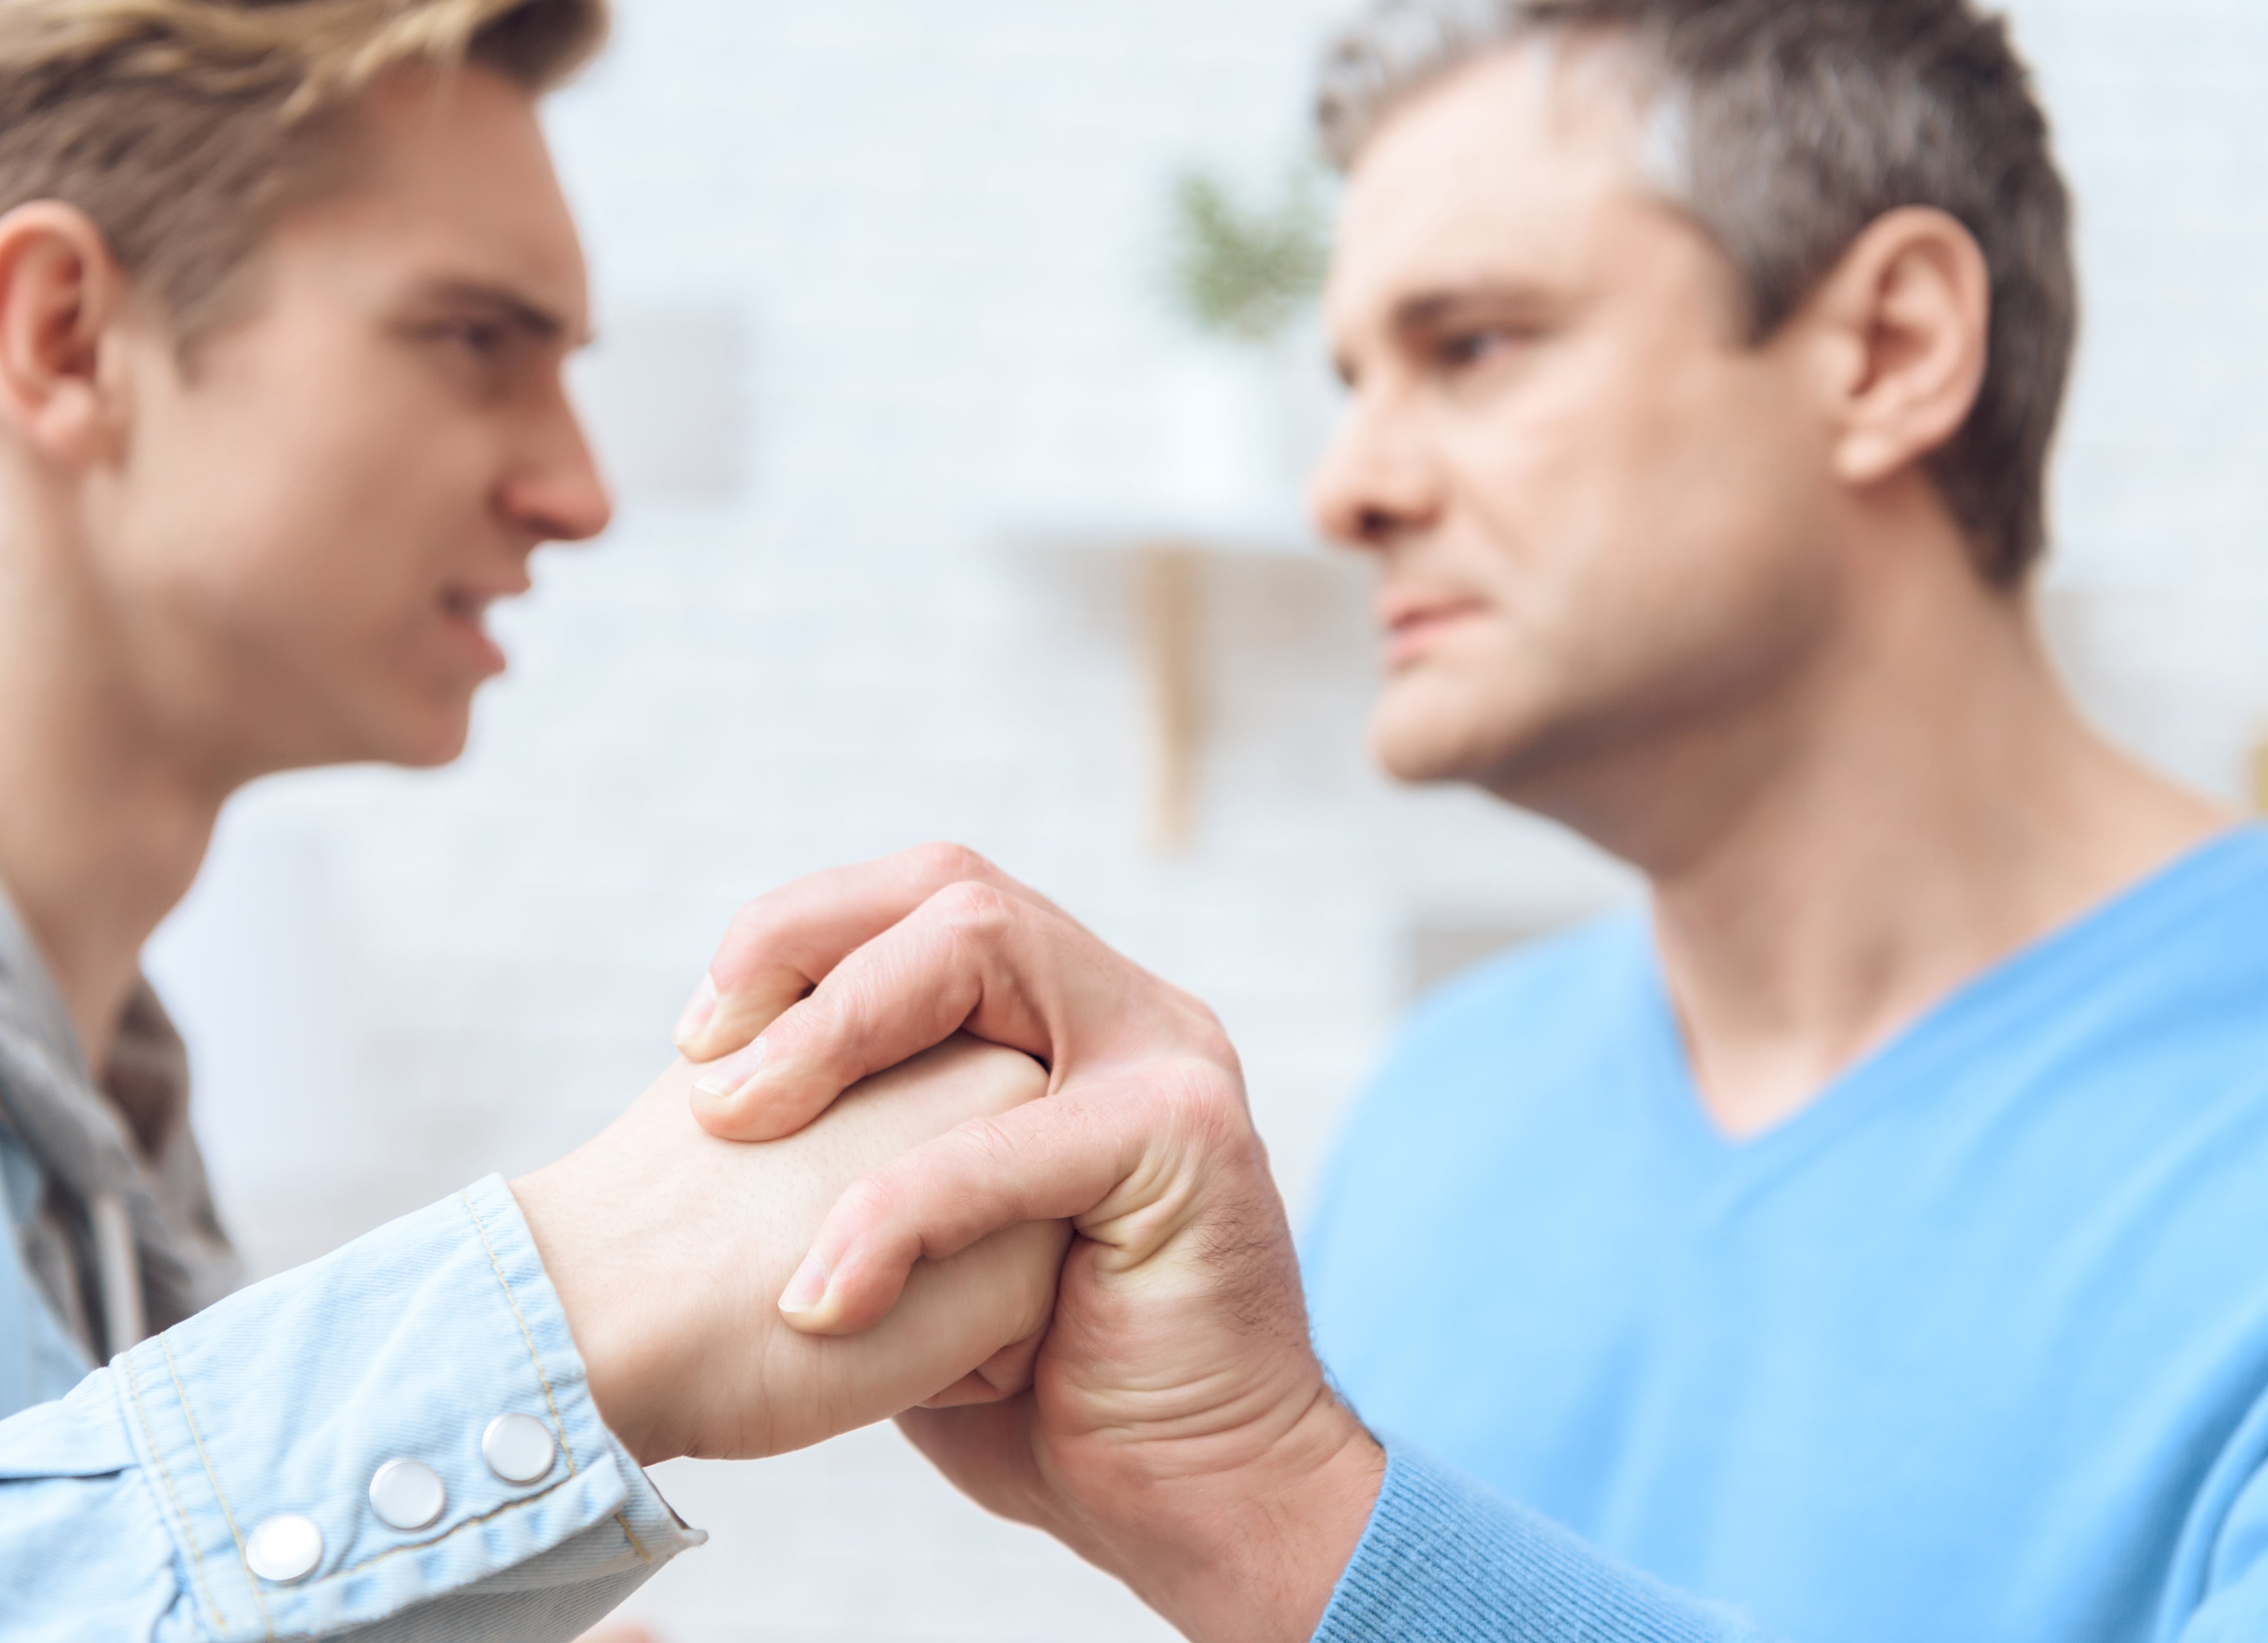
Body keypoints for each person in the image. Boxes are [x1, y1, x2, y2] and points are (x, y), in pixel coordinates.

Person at [670, 3, 2268, 1641]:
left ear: (1891, 348)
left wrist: (1285, 1512)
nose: (1346, 486)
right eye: (1354, 378)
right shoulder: (1455, 1101)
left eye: (1475, 347)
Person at [0, 2, 1069, 1637]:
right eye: (475, 339)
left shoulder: (93, 1145)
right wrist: (566, 1306)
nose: (579, 485)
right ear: (65, 336)